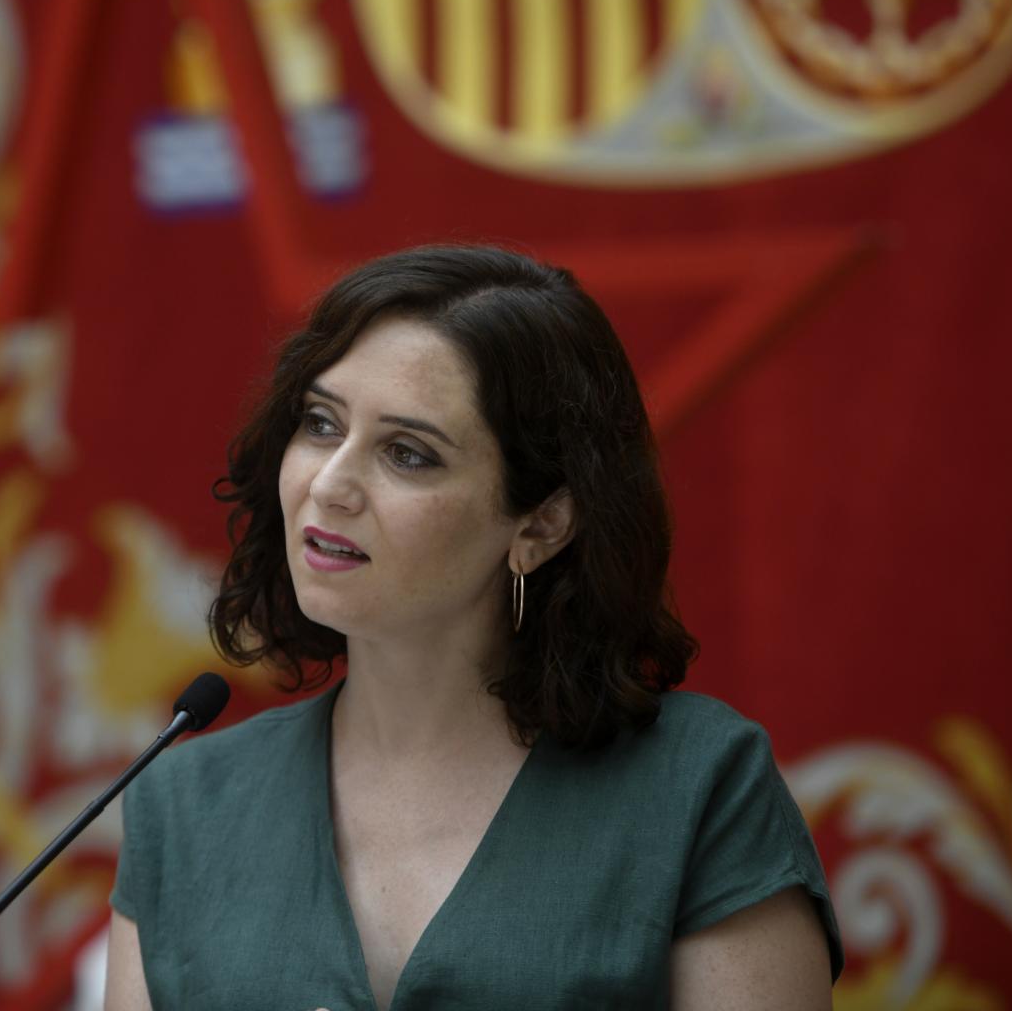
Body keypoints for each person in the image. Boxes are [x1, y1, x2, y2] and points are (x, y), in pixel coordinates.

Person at [104, 244, 843, 1010]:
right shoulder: (183, 805)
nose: (330, 484)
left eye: (407, 454)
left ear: (543, 523)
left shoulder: (698, 789)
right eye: (321, 424)